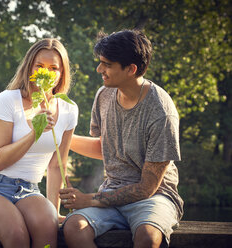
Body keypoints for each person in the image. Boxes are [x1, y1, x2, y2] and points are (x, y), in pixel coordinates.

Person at [59, 29, 183, 248]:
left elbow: (147, 187)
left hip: (155, 197)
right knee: (73, 228)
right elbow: (104, 148)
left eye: (106, 64)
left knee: (147, 237)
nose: (99, 69)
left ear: (131, 69)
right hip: (111, 192)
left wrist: (88, 200)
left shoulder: (161, 112)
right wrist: (61, 138)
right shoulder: (104, 95)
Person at [0, 38, 78, 248]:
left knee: (48, 226)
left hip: (29, 190)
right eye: (40, 66)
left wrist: (55, 211)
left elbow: (57, 166)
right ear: (30, 68)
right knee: (16, 234)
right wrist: (34, 133)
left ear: (62, 73)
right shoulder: (8, 100)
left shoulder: (69, 109)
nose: (47, 73)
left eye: (54, 68)